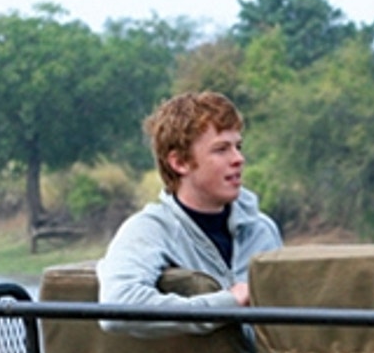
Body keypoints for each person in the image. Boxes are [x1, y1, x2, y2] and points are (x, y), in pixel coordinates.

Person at [96, 91, 282, 337]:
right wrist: (227, 304)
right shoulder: (149, 230)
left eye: (238, 147)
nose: (238, 159)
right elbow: (116, 307)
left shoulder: (262, 229)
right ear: (180, 163)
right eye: (221, 149)